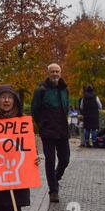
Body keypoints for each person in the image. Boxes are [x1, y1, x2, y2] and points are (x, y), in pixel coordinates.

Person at [31, 63, 70, 203]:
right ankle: (53, 190)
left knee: (65, 159)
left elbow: (66, 107)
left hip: (62, 130)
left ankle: (55, 177)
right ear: (48, 73)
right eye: (52, 71)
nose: (55, 74)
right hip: (48, 131)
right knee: (50, 160)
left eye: (57, 71)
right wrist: (41, 124)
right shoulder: (41, 89)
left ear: (60, 72)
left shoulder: (65, 89)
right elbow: (34, 110)